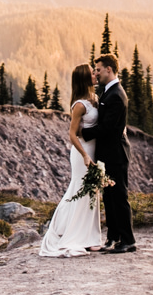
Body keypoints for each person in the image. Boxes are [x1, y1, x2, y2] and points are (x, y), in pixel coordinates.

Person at [37, 65, 108, 257]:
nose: (95, 75)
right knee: (80, 189)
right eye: (92, 73)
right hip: (82, 153)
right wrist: (85, 155)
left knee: (92, 191)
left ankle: (92, 238)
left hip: (94, 150)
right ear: (84, 78)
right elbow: (72, 134)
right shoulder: (79, 105)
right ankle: (75, 235)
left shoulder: (94, 99)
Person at [92, 52, 135, 252]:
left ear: (109, 69)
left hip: (116, 154)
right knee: (109, 196)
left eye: (99, 70)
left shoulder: (117, 95)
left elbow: (108, 128)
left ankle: (128, 241)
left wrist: (84, 132)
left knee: (119, 196)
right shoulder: (109, 92)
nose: (96, 73)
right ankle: (113, 237)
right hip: (108, 154)